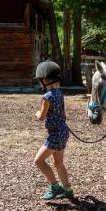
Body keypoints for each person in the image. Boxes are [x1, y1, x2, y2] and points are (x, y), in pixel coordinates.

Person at [33, 61, 74, 199]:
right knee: (58, 163)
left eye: (39, 81)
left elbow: (42, 117)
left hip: (55, 134)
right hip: (63, 131)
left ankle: (55, 187)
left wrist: (37, 113)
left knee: (38, 161)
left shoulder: (47, 96)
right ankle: (68, 190)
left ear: (44, 80)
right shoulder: (60, 93)